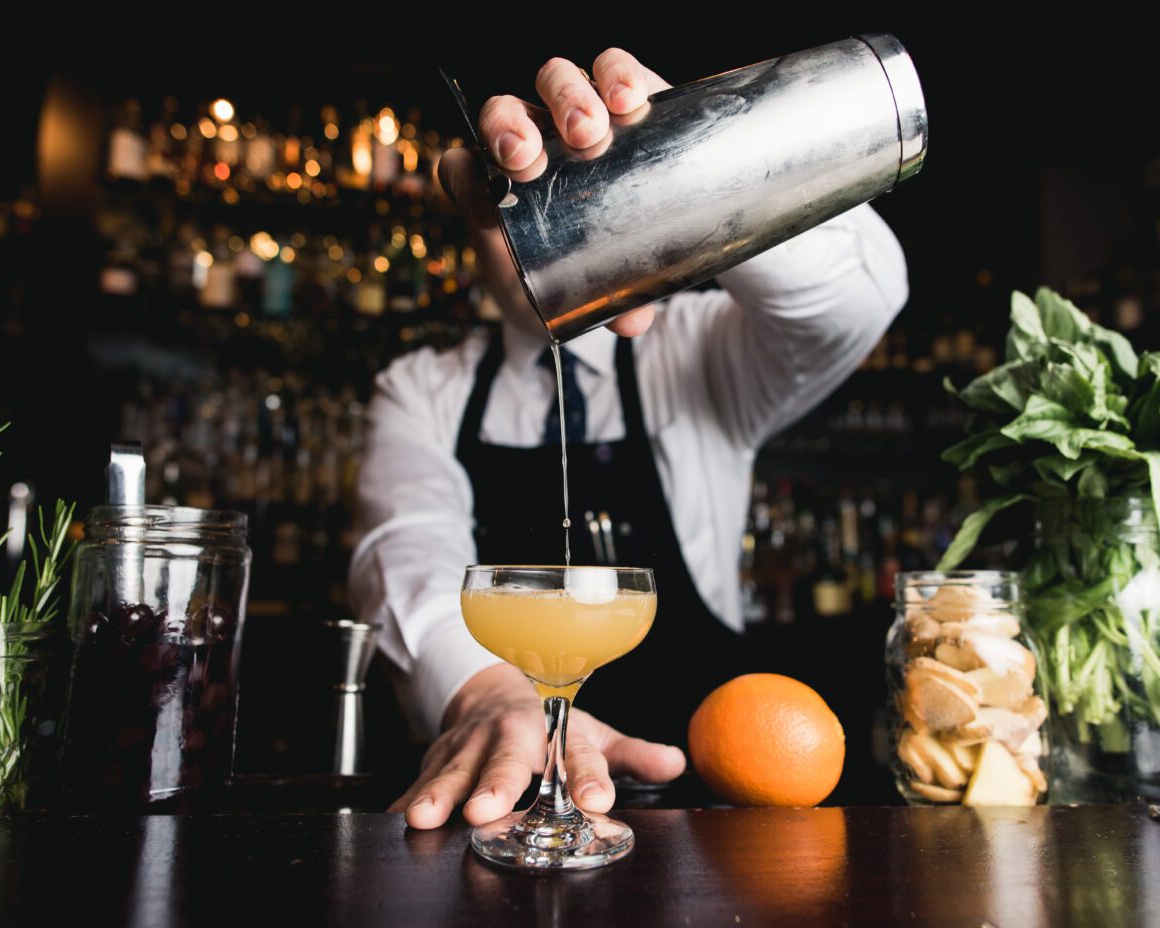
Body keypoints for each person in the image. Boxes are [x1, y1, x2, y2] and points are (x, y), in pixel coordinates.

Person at [348, 48, 909, 830]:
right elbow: (404, 543)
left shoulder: (700, 348)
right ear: (468, 216)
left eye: (558, 194)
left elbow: (858, 298)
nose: (529, 219)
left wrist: (687, 159)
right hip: (500, 810)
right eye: (510, 193)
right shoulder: (421, 390)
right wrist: (486, 691)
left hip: (706, 810)